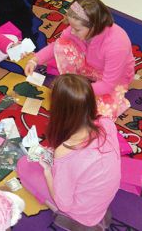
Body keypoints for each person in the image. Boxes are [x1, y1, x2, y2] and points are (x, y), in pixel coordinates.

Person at [17, 74, 121, 229]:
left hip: (82, 214)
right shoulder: (106, 123)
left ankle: (66, 219)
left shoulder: (66, 151)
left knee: (24, 165)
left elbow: (64, 204)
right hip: (102, 199)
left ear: (59, 110)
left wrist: (47, 170)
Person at [24, 0, 135, 121]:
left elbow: (108, 85)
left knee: (95, 113)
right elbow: (56, 45)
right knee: (62, 45)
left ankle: (78, 87)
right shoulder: (78, 29)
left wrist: (75, 91)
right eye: (71, 27)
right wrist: (35, 60)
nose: (72, 32)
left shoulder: (116, 44)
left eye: (77, 29)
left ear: (94, 27)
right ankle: (77, 83)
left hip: (114, 79)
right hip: (90, 65)